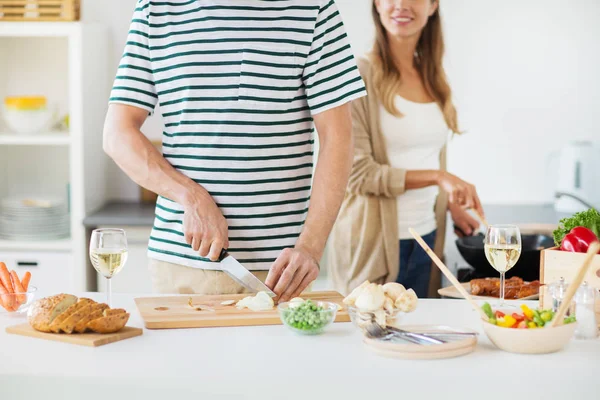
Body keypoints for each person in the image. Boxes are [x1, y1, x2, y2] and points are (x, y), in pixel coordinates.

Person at [103, 0, 366, 302]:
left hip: (280, 272)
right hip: (182, 266)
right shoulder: (156, 8)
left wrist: (311, 247)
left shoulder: (314, 8)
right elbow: (117, 133)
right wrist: (191, 196)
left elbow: (338, 138)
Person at [329, 0, 484, 297]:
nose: (401, 5)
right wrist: (439, 177)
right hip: (372, 245)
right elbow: (357, 174)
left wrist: (450, 202)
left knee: (422, 336)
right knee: (371, 336)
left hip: (428, 237)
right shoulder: (357, 74)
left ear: (433, 4)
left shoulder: (435, 78)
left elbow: (424, 154)